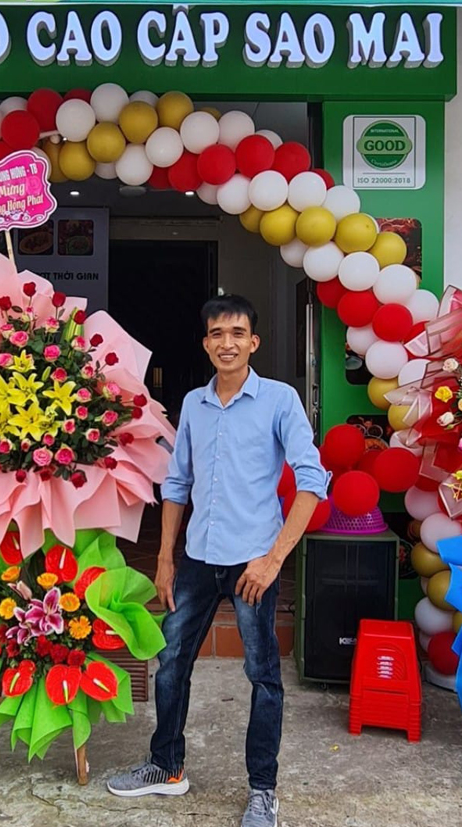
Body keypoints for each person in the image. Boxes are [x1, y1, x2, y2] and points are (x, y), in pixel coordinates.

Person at [107, 294, 328, 827]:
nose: (227, 343)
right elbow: (177, 483)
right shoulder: (194, 405)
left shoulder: (279, 401)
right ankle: (166, 766)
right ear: (205, 343)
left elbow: (311, 481)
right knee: (170, 663)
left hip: (254, 563)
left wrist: (273, 560)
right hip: (199, 559)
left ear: (254, 342)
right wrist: (165, 558)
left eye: (237, 333)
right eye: (217, 334)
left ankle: (262, 790)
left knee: (263, 675)